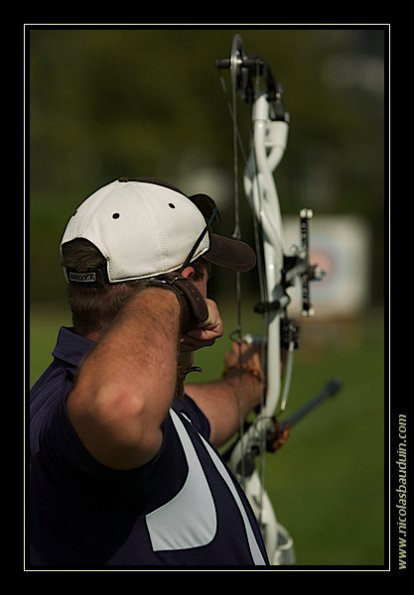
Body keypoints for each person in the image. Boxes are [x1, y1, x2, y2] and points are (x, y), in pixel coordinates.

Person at [30, 177, 270, 567]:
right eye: (203, 274)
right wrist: (173, 292)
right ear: (189, 281)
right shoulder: (82, 409)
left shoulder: (137, 393)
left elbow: (193, 415)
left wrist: (248, 382)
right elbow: (120, 407)